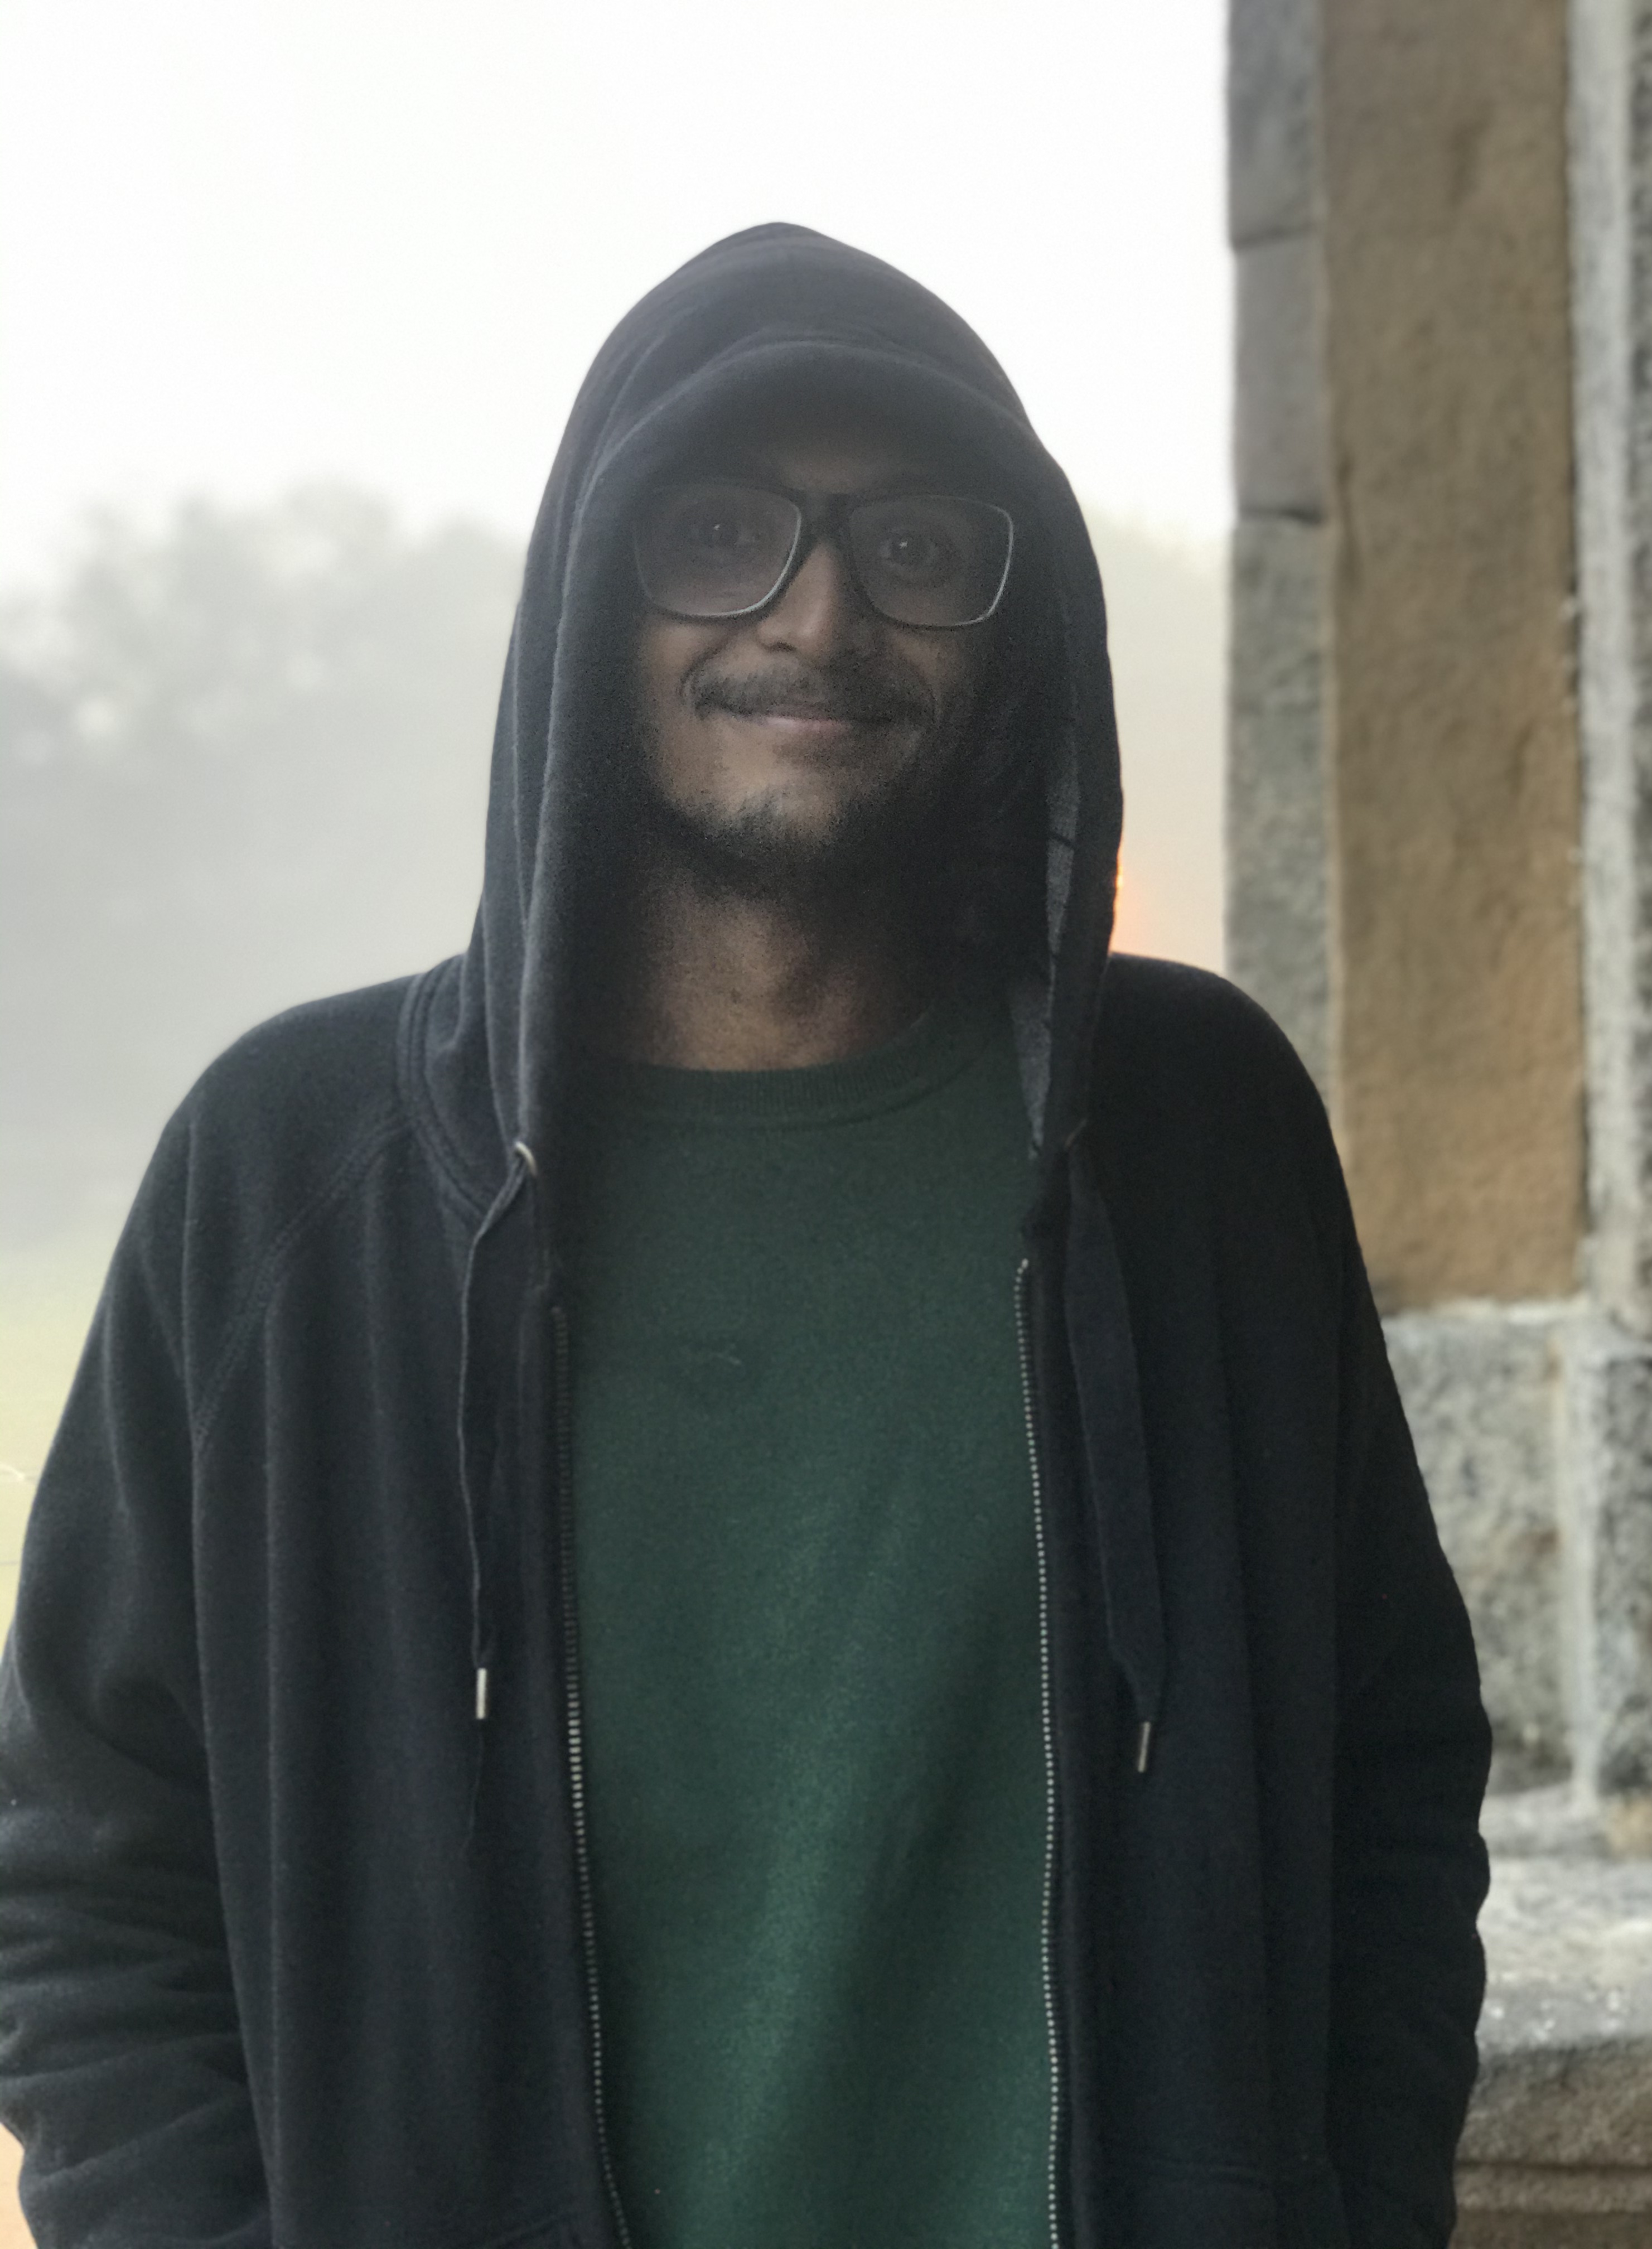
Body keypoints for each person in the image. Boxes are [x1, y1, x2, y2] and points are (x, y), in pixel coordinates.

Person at [0, 225, 1490, 2249]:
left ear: (1015, 623)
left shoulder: (1199, 1139)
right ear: (590, 594)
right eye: (718, 532)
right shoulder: (289, 1186)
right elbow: (88, 1867)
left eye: (916, 546)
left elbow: (1388, 1765)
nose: (819, 613)